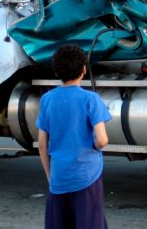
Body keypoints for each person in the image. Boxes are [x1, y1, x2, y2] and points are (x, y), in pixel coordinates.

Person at [37, 45, 112, 229]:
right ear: (84, 70)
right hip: (86, 176)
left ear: (56, 71)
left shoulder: (47, 99)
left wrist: (50, 176)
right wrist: (94, 146)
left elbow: (42, 144)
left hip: (59, 179)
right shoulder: (90, 99)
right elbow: (102, 139)